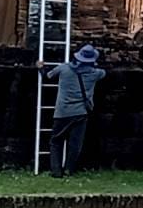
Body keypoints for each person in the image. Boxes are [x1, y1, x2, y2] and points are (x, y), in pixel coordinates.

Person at [37, 44, 106, 178]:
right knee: (75, 144)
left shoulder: (64, 68)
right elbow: (104, 71)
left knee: (56, 141)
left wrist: (41, 67)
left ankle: (56, 171)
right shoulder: (96, 74)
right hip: (81, 112)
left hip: (62, 111)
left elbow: (48, 76)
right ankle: (69, 169)